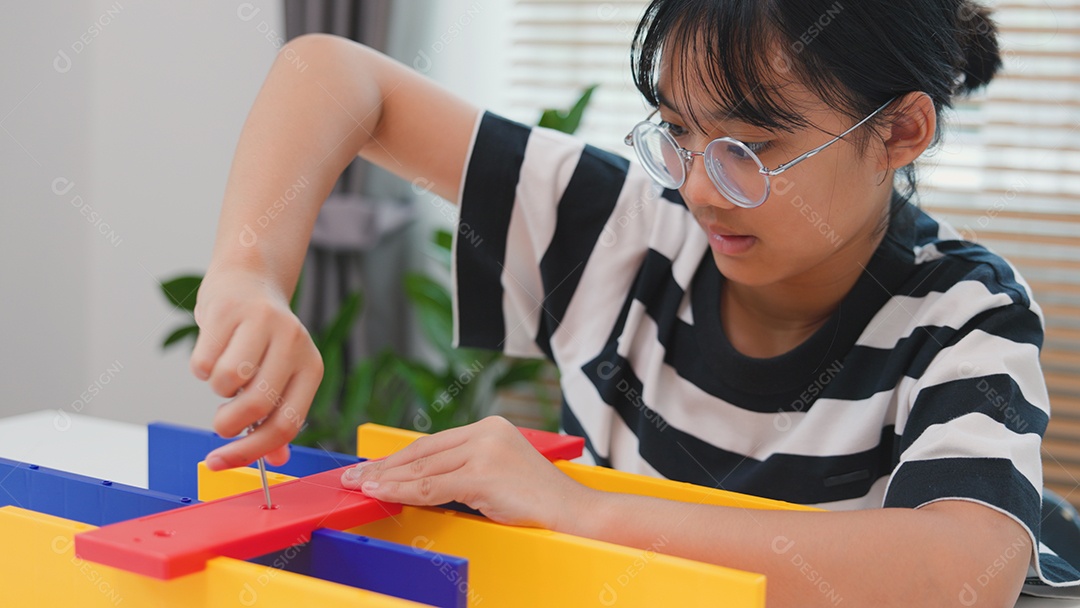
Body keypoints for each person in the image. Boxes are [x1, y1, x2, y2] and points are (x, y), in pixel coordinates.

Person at [188, 0, 1080, 604]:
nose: (699, 189)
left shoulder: (963, 312)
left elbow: (964, 570)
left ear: (898, 132)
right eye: (681, 133)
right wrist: (249, 273)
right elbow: (331, 75)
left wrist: (581, 510)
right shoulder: (625, 228)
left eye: (751, 148)